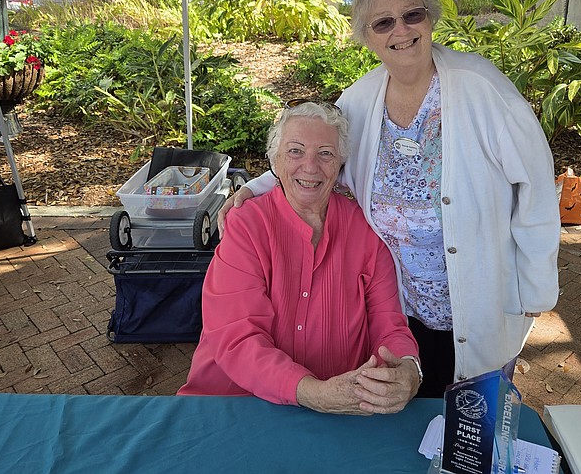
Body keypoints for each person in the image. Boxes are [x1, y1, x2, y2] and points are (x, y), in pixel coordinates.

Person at [222, 0, 560, 397]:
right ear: (365, 36)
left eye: (411, 15)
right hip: (401, 309)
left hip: (482, 299)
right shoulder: (361, 100)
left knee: (476, 425)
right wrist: (252, 189)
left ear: (430, 16)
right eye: (382, 23)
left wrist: (535, 289)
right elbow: (318, 160)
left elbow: (535, 185)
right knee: (412, 417)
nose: (400, 31)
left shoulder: (482, 87)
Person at [178, 101, 421, 414]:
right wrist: (313, 393)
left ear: (340, 165)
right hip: (237, 407)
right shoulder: (246, 226)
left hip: (342, 411)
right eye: (295, 151)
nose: (310, 166)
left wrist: (408, 370)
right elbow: (238, 337)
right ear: (275, 162)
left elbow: (390, 326)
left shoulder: (367, 231)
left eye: (325, 153)